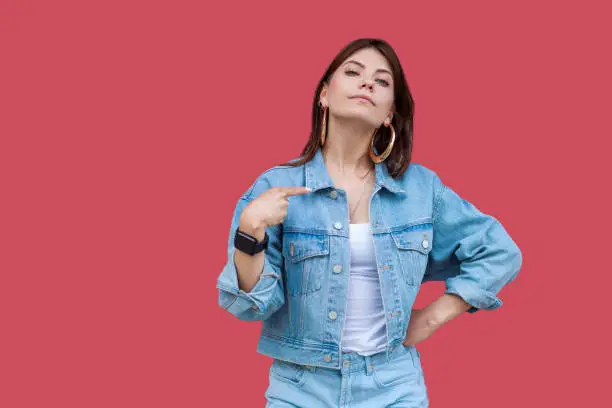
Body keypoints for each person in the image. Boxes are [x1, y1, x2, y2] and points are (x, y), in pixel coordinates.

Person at [216, 38, 523, 407]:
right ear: (324, 95)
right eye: (353, 72)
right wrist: (250, 232)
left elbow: (501, 252)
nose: (367, 84)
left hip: (394, 385)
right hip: (300, 387)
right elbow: (250, 308)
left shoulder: (421, 190)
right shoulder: (274, 188)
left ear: (390, 113)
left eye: (382, 81)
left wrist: (430, 318)